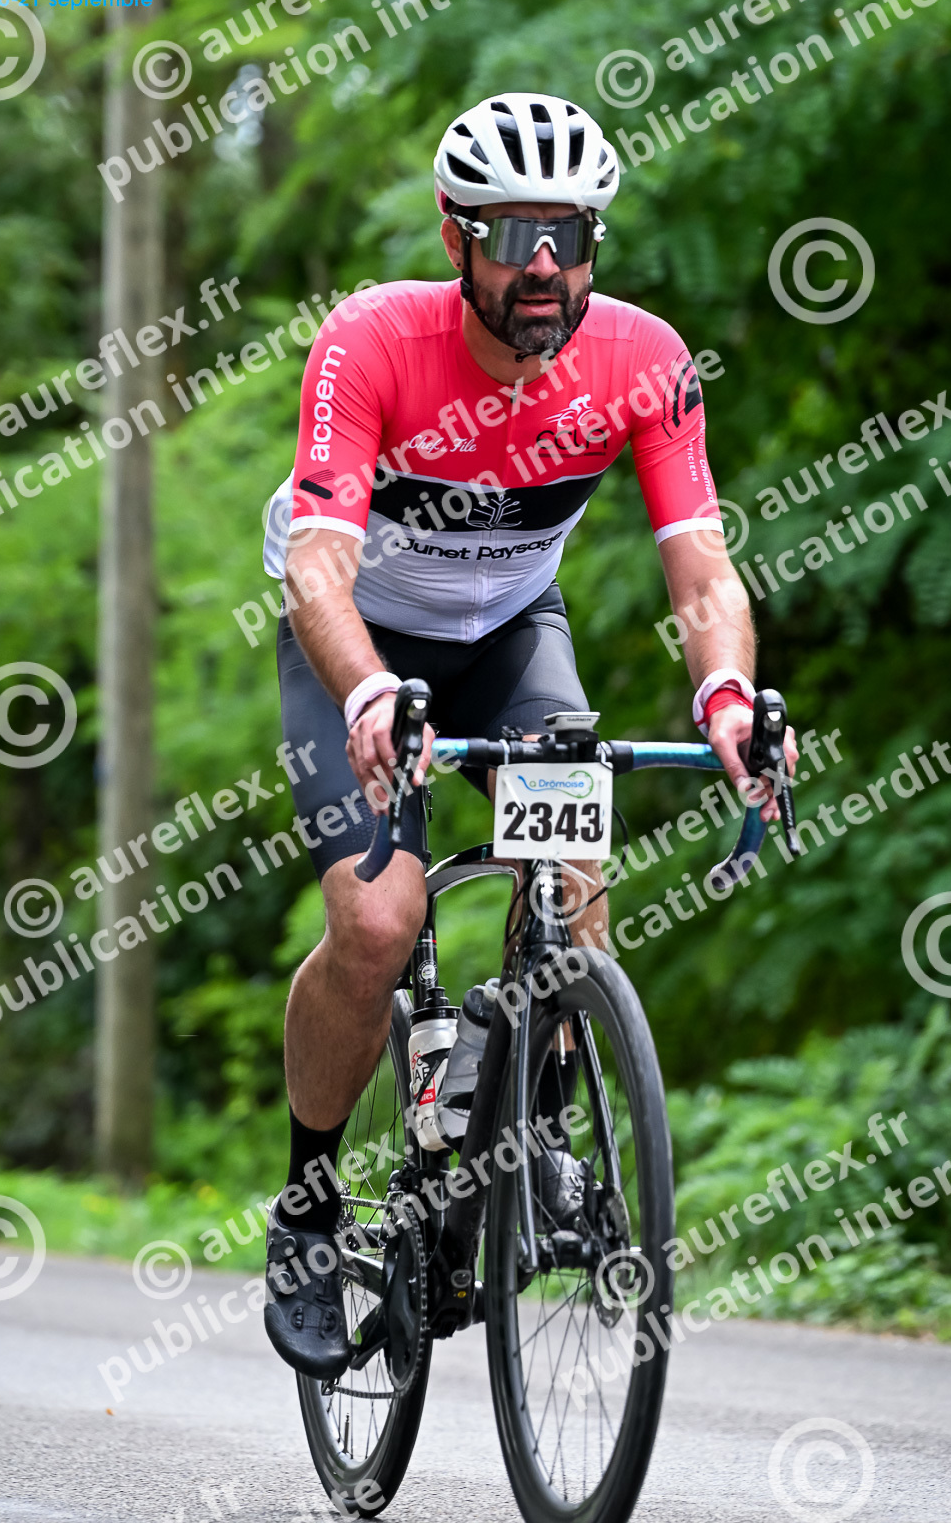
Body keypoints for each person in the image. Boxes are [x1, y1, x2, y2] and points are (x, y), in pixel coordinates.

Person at [258, 90, 793, 1378]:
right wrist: (367, 692)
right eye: (512, 236)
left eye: (570, 234)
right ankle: (310, 1209)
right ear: (458, 239)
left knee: (571, 878)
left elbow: (702, 564)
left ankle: (535, 1136)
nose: (544, 265)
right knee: (378, 924)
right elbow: (319, 565)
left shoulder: (643, 358)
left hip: (508, 630)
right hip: (357, 639)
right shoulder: (372, 339)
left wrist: (727, 699)